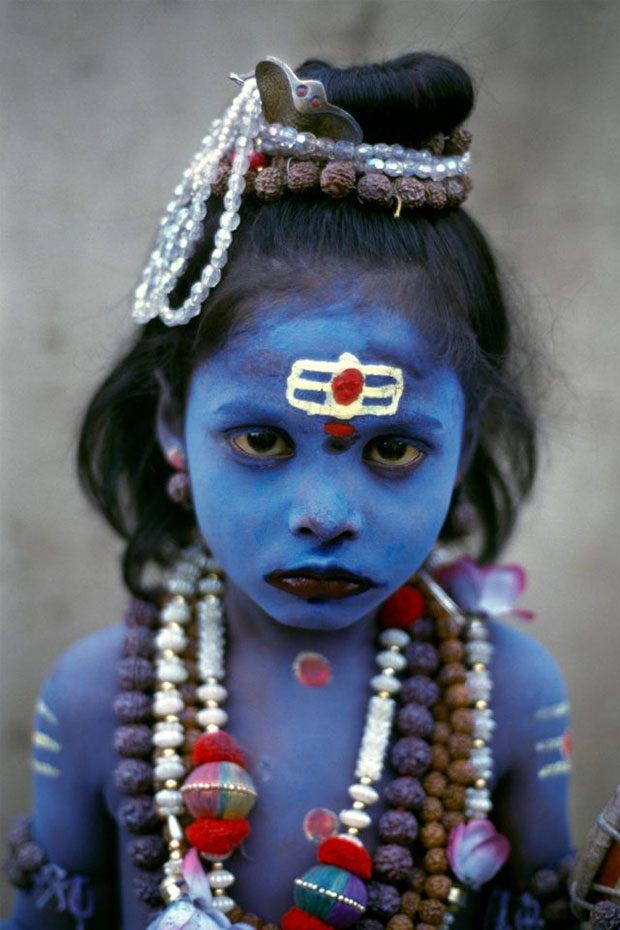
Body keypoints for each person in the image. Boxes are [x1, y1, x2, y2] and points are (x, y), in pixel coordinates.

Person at [2, 52, 587, 930]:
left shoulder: (512, 699)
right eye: (264, 439)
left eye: (391, 449)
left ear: (465, 446)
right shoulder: (92, 701)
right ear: (173, 428)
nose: (327, 514)